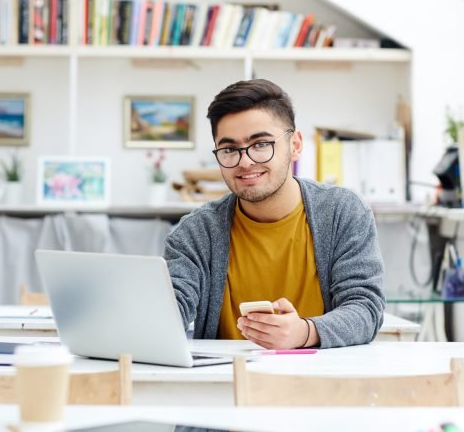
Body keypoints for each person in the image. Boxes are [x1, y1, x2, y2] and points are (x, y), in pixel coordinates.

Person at [164, 79, 385, 349]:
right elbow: (171, 309)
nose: (245, 162)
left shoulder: (343, 212)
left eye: (260, 144)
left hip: (322, 379)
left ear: (295, 145)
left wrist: (305, 332)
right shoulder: (195, 233)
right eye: (229, 149)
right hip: (226, 383)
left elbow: (365, 308)